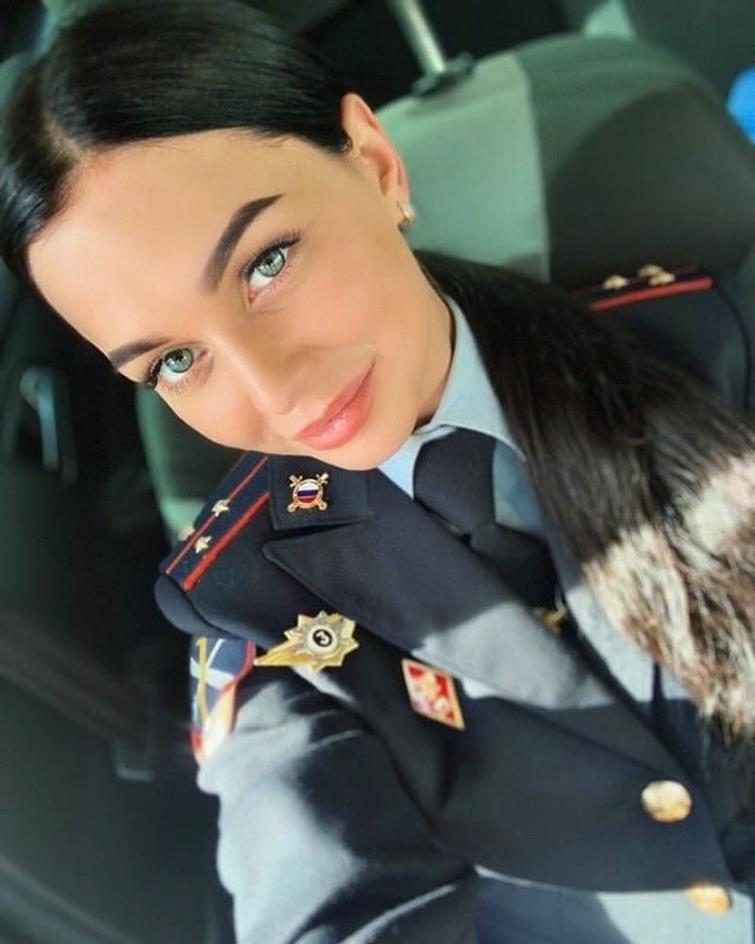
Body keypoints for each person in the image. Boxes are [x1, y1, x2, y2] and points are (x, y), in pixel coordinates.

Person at [0, 1, 753, 941]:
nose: (275, 390)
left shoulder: (708, 345)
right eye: (175, 362)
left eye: (266, 263)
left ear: (375, 162)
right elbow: (321, 877)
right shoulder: (251, 604)